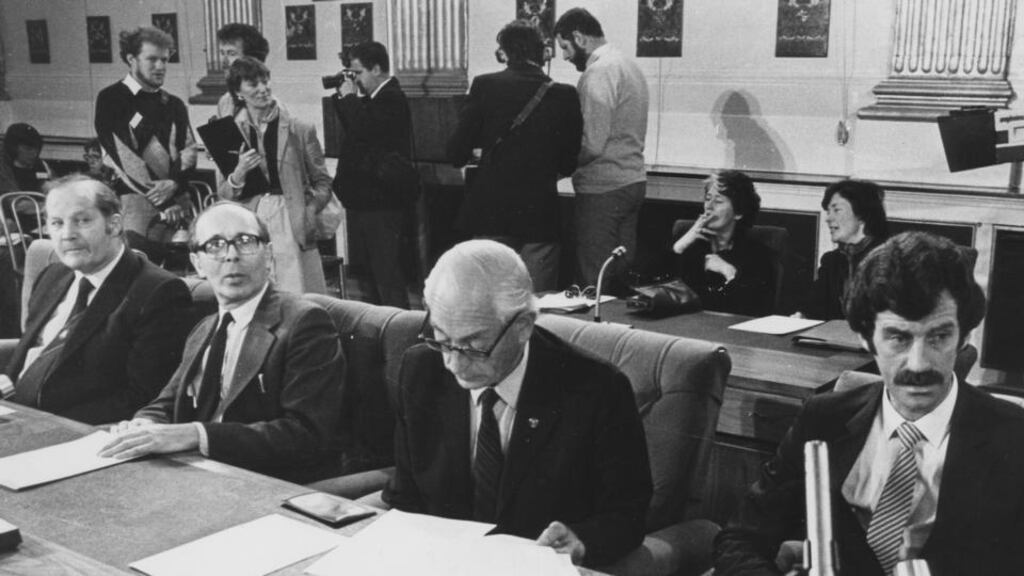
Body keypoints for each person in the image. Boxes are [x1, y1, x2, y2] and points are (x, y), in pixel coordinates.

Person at [713, 231, 1024, 575]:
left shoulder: (1014, 436)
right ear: (865, 338)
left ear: (964, 337)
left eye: (938, 336)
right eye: (897, 337)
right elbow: (740, 540)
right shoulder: (823, 417)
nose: (918, 364)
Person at [383, 239, 652, 567]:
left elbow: (629, 514)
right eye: (441, 338)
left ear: (523, 326)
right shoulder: (419, 370)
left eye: (472, 345)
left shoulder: (597, 390)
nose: (452, 364)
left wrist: (582, 541)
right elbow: (406, 498)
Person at [99, 202, 345, 483]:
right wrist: (146, 424)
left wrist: (196, 434)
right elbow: (166, 402)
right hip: (198, 475)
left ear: (267, 255)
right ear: (197, 264)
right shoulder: (204, 328)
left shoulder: (305, 323)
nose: (231, 255)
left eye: (245, 241)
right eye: (215, 245)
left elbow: (305, 434)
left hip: (263, 482)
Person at [0, 175, 192, 424]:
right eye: (57, 223)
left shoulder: (159, 292)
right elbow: (36, 351)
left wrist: (42, 424)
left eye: (81, 221)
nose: (67, 235)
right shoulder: (53, 275)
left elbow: (143, 398)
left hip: (71, 430)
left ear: (113, 225)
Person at [447, 20, 582, 292]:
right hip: (540, 212)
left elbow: (456, 152)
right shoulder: (564, 94)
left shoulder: (485, 86)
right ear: (543, 53)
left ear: (504, 53)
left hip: (492, 211)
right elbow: (569, 161)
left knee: (492, 298)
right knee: (537, 302)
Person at [217, 57, 331, 294]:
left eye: (265, 81)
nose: (263, 88)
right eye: (253, 84)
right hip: (250, 221)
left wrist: (309, 211)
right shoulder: (228, 133)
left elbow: (322, 182)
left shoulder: (299, 128)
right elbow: (224, 193)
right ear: (239, 93)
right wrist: (239, 173)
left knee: (296, 294)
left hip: (291, 219)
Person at [553, 8, 649, 290]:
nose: (565, 56)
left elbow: (592, 144)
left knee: (593, 281)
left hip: (602, 189)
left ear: (579, 37)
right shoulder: (628, 66)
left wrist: (561, 169)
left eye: (565, 47)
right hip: (633, 182)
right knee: (620, 278)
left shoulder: (598, 72)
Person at [94, 26, 197, 262]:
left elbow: (189, 150)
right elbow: (122, 155)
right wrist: (165, 199)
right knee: (137, 277)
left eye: (164, 59)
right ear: (131, 59)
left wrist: (174, 184)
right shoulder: (111, 98)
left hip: (178, 203)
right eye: (152, 59)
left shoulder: (174, 104)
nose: (160, 67)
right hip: (134, 205)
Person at [332, 41, 414, 308]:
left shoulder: (391, 97)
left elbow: (367, 132)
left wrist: (348, 99)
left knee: (386, 273)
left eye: (357, 73)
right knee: (372, 273)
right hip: (366, 200)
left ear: (377, 68)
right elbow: (358, 131)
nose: (355, 80)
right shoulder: (373, 99)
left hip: (381, 201)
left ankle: (398, 327)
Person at [671, 171, 776, 316]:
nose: (709, 207)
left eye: (718, 201)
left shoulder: (757, 255)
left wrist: (728, 271)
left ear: (738, 212)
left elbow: (753, 308)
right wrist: (679, 247)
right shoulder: (689, 245)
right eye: (708, 199)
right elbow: (651, 291)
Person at [799, 179, 888, 320]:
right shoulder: (832, 261)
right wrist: (802, 316)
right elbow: (812, 307)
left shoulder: (890, 259)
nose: (828, 218)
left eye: (837, 210)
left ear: (862, 215)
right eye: (828, 212)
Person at [215, 23, 269, 119]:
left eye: (231, 53)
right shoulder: (225, 101)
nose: (224, 61)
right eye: (222, 53)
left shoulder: (267, 100)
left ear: (251, 59)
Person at [0, 122, 54, 193]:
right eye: (28, 149)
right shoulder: (3, 167)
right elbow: (13, 198)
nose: (34, 154)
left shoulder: (41, 165)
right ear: (13, 148)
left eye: (37, 149)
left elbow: (53, 185)